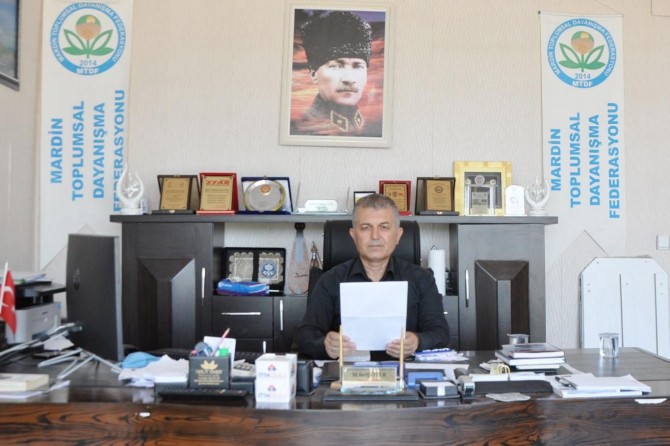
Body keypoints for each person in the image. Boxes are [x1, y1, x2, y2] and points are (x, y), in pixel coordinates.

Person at [296, 194, 450, 360]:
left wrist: (417, 342)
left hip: (405, 371)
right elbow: (305, 336)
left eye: (384, 227)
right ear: (353, 235)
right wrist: (325, 345)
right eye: (366, 228)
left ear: (398, 235)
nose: (375, 236)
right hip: (346, 372)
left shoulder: (422, 279)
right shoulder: (330, 280)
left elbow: (441, 334)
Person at [292, 10, 378, 136]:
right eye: (336, 66)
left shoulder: (365, 125)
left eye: (358, 66)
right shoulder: (306, 131)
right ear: (314, 74)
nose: (349, 78)